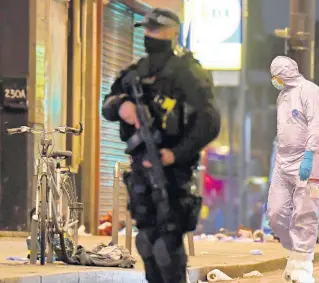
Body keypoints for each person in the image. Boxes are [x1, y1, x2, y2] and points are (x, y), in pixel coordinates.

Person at [101, 8, 220, 283]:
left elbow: (210, 122)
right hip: (141, 173)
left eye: (156, 31)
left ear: (172, 34)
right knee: (146, 242)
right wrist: (122, 106)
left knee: (167, 247)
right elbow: (107, 106)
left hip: (173, 174)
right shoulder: (135, 73)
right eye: (147, 30)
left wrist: (176, 154)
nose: (150, 36)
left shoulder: (189, 73)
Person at [266, 56, 319, 283]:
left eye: (276, 76)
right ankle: (294, 256)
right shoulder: (282, 96)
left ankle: (303, 266)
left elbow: (318, 125)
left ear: (284, 74)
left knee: (305, 213)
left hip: (310, 162)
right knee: (275, 214)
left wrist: (309, 155)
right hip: (283, 162)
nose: (274, 80)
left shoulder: (309, 91)